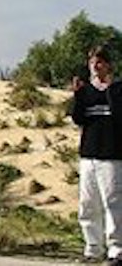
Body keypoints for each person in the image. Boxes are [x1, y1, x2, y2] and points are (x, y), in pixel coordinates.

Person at [71, 45, 122, 266]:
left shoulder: (119, 88)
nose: (95, 66)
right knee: (88, 204)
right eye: (92, 62)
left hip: (112, 155)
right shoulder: (85, 91)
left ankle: (116, 249)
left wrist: (109, 90)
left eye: (99, 62)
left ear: (108, 64)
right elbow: (78, 119)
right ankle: (93, 248)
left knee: (113, 203)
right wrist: (77, 96)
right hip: (88, 155)